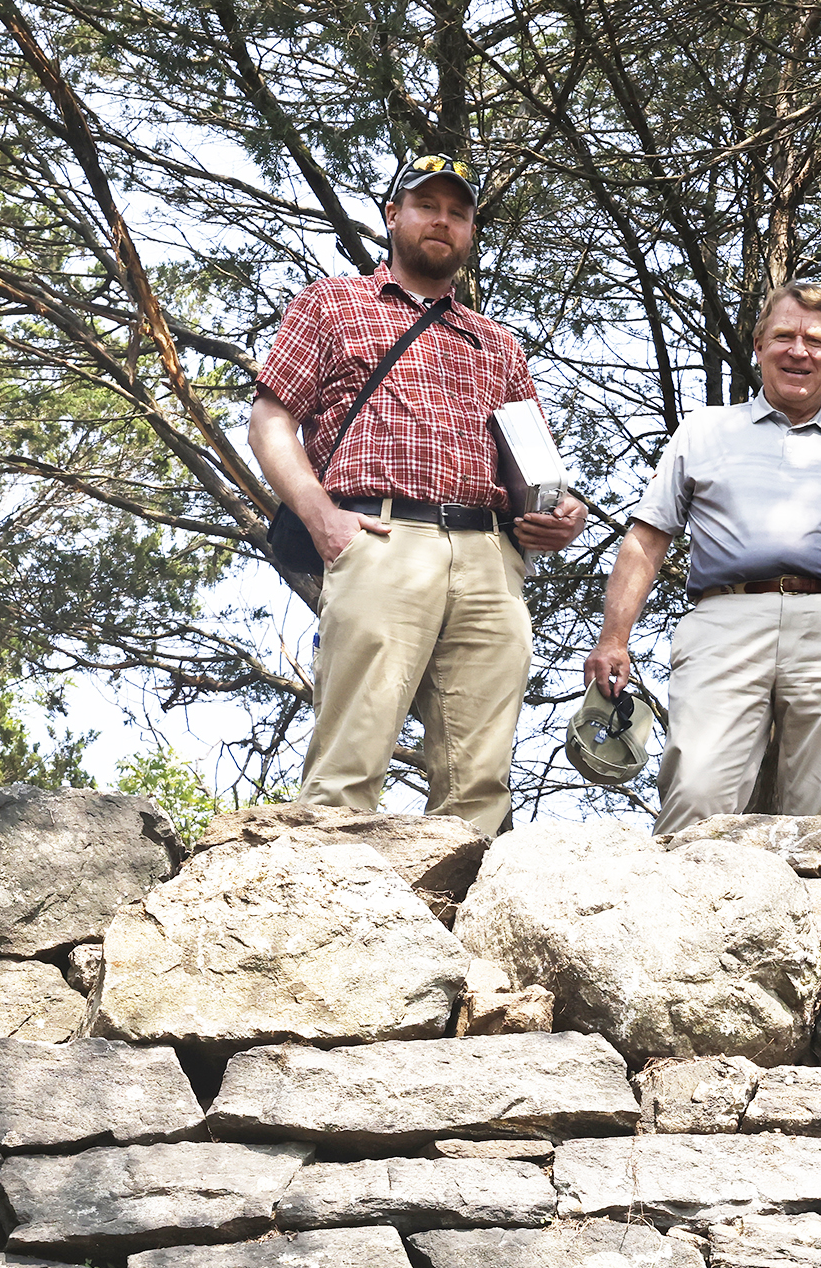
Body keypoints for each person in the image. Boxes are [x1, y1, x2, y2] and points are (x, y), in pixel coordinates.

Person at [250, 152, 587, 833]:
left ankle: (465, 896)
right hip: (380, 536)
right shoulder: (332, 303)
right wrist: (322, 518)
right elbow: (269, 422)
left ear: (470, 232)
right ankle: (319, 893)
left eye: (458, 212)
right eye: (426, 205)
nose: (442, 221)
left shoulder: (497, 344)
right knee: (349, 761)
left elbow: (535, 466)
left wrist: (563, 512)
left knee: (480, 783)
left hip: (489, 557)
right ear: (392, 215)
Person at [583, 283, 821, 833]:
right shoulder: (704, 430)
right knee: (696, 793)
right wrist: (613, 638)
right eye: (784, 335)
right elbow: (647, 538)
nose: (798, 351)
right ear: (758, 344)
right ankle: (680, 891)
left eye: (816, 341)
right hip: (724, 620)